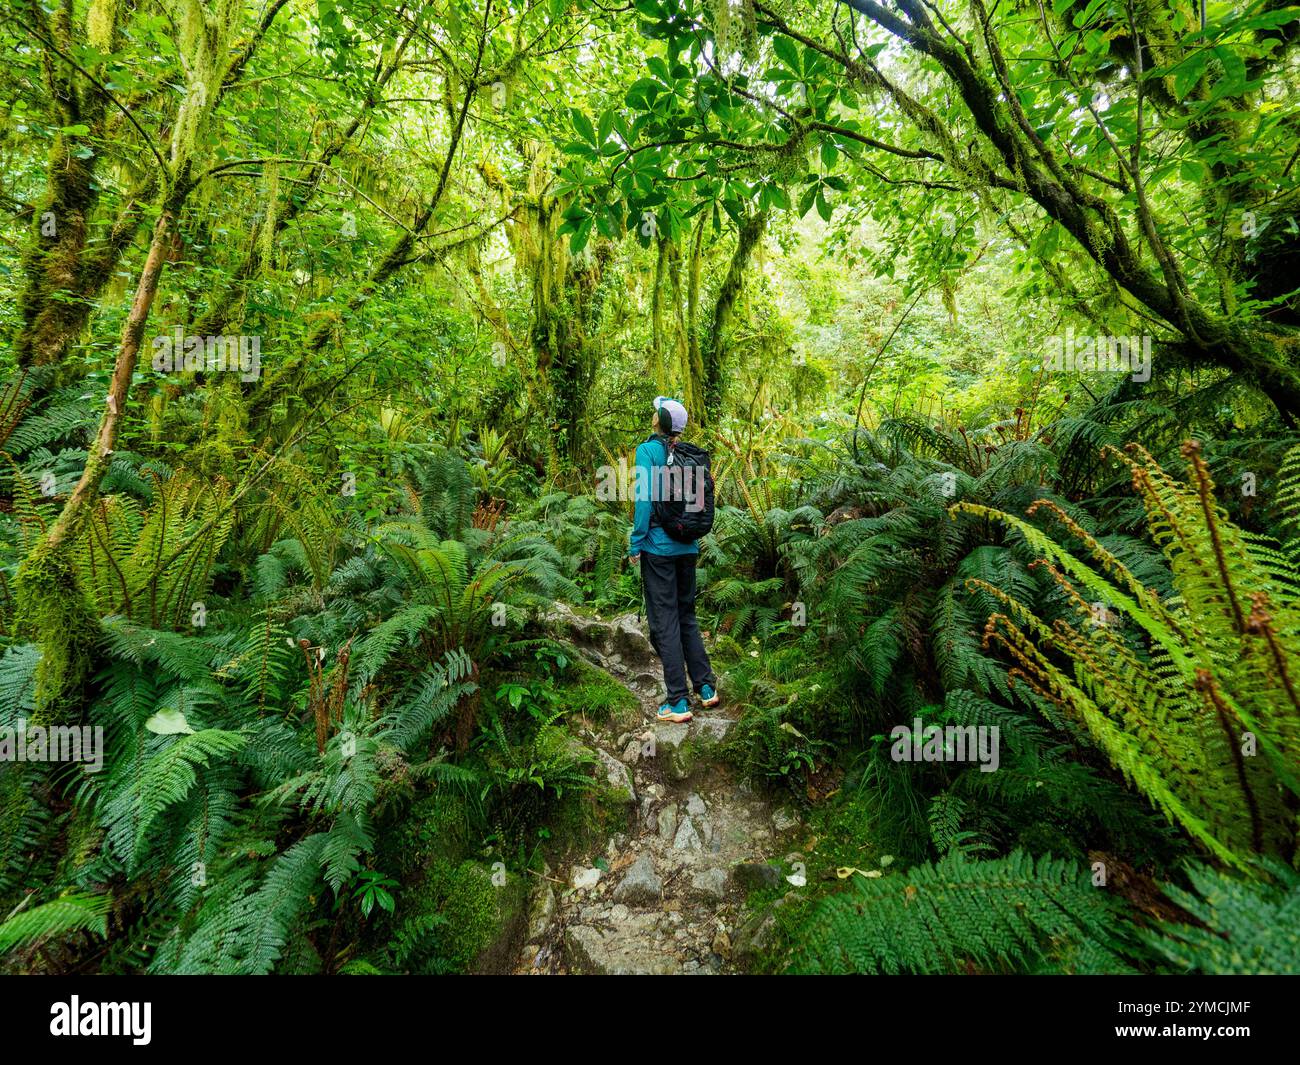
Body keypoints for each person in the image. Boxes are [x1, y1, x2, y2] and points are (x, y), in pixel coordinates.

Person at [628, 396, 719, 723]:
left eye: (656, 410)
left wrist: (636, 543)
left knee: (664, 620)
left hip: (659, 549)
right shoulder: (689, 454)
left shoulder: (647, 452)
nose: (653, 412)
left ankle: (678, 702)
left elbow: (643, 501)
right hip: (687, 547)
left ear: (659, 421)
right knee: (686, 615)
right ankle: (706, 688)